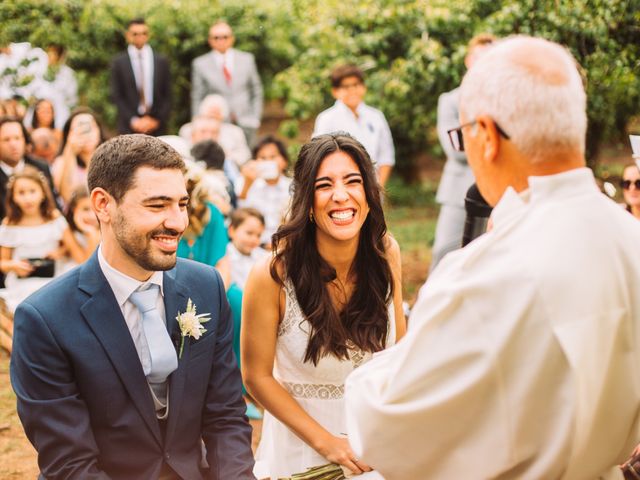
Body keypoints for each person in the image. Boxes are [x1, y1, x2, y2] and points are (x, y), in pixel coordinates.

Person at [344, 36, 640, 479]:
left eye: (463, 134)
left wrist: (368, 375)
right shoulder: (630, 240)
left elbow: (387, 432)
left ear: (485, 135)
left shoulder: (486, 271)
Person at [10, 134, 255, 479]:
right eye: (157, 206)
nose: (177, 223)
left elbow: (225, 417)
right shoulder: (44, 319)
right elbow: (69, 463)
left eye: (181, 204)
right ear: (103, 204)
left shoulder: (206, 288)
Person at [242, 133, 406, 479]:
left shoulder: (386, 252)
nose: (341, 196)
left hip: (379, 446)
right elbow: (256, 376)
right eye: (324, 185)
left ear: (368, 193)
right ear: (307, 201)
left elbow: (399, 356)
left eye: (353, 181)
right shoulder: (271, 275)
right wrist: (328, 443)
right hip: (302, 451)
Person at [430, 33, 495, 272]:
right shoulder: (450, 101)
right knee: (443, 253)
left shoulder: (503, 100)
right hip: (458, 192)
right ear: (468, 60)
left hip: (499, 191)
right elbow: (457, 149)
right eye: (479, 56)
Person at [0, 167, 84, 311]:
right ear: (13, 197)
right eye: (21, 193)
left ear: (43, 193)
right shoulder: (10, 224)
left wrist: (61, 252)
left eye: (32, 191)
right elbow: (3, 262)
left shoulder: (54, 218)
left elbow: (74, 251)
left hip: (53, 278)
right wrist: (14, 265)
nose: (27, 198)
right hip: (22, 283)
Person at [312, 64, 395, 188]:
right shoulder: (326, 119)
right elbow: (318, 157)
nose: (352, 90)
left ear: (364, 87)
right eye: (345, 87)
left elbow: (386, 155)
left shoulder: (376, 116)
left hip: (373, 186)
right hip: (342, 188)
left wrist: (379, 188)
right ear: (335, 91)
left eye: (356, 85)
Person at [191, 21, 263, 145]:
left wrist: (255, 118)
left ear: (232, 38)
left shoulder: (247, 59)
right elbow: (197, 95)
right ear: (210, 40)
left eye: (225, 36)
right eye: (216, 37)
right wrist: (198, 122)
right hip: (219, 125)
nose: (221, 40)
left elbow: (256, 90)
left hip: (247, 122)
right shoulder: (200, 63)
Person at [110, 18, 171, 136]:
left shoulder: (161, 61)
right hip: (129, 126)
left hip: (157, 125)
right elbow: (117, 95)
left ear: (148, 35)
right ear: (128, 35)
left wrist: (156, 120)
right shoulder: (119, 62)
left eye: (144, 33)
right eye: (135, 34)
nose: (140, 36)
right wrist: (133, 120)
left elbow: (167, 95)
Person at [177, 161, 230, 288]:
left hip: (209, 288)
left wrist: (212, 296)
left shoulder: (212, 213)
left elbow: (222, 264)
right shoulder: (168, 215)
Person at [236, 135, 292, 248]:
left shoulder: (294, 186)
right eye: (262, 158)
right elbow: (240, 213)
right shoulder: (245, 182)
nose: (268, 162)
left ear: (284, 161)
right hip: (254, 247)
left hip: (287, 246)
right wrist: (247, 183)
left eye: (273, 157)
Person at [0, 116, 55, 221]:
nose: (13, 144)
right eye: (6, 140)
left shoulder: (41, 167)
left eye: (17, 138)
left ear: (25, 140)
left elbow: (52, 204)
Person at [180, 94, 252, 168]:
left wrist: (226, 156)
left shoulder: (235, 131)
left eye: (216, 114)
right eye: (210, 114)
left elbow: (245, 154)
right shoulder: (187, 129)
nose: (208, 136)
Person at [52, 108, 105, 205]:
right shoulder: (61, 162)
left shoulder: (110, 159)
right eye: (79, 128)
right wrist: (70, 150)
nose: (86, 134)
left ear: (99, 131)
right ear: (69, 134)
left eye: (89, 128)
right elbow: (68, 197)